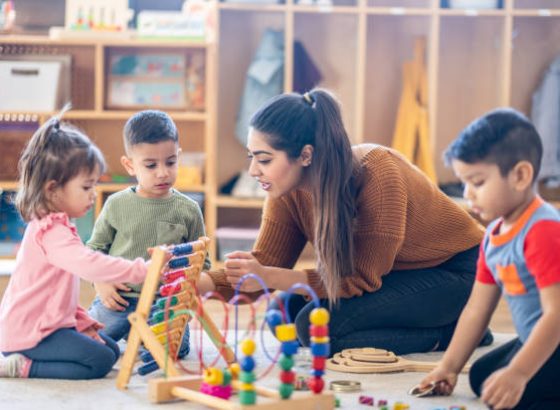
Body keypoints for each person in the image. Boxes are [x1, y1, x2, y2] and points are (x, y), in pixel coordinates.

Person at [197, 88, 492, 355]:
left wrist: (270, 276)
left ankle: (455, 333)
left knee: (317, 331)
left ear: (305, 155)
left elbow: (359, 278)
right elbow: (265, 264)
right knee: (283, 315)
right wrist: (202, 283)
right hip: (395, 273)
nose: (252, 170)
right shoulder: (286, 190)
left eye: (264, 160)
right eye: (252, 157)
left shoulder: (378, 175)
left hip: (460, 273)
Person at [417, 109, 560, 409]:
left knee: (515, 393)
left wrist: (519, 373)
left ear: (520, 176)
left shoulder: (543, 230)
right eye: (464, 182)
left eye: (478, 182)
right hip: (535, 337)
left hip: (555, 336)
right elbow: (476, 309)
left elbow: (556, 315)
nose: (469, 194)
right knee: (484, 378)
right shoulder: (494, 233)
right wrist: (449, 366)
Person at [0, 111, 152, 379]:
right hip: (30, 333)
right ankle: (22, 366)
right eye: (86, 187)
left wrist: (81, 322)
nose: (93, 195)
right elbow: (89, 265)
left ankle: (33, 357)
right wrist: (142, 270)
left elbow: (58, 294)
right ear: (53, 189)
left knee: (110, 350)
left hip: (49, 325)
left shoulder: (56, 224)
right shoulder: (51, 232)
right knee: (100, 361)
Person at [87, 110, 210, 360]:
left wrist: (182, 292)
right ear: (130, 165)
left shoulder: (189, 209)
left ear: (179, 157)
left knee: (169, 352)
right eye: (151, 165)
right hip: (118, 299)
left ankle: (140, 336)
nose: (163, 172)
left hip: (163, 305)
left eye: (171, 162)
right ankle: (130, 332)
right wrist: (102, 282)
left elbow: (203, 263)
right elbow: (93, 251)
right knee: (88, 344)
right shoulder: (116, 204)